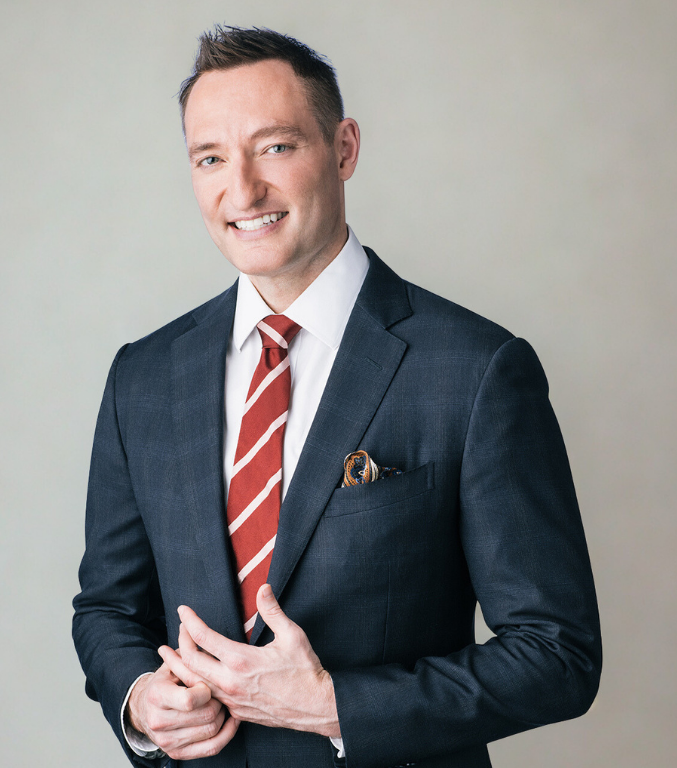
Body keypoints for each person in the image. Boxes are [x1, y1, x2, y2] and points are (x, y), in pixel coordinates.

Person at [73, 25, 601, 768]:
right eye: (211, 158)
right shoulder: (143, 376)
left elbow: (558, 654)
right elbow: (107, 609)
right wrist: (138, 700)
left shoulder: (477, 369)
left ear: (344, 148)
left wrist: (333, 708)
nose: (243, 189)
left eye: (277, 147)